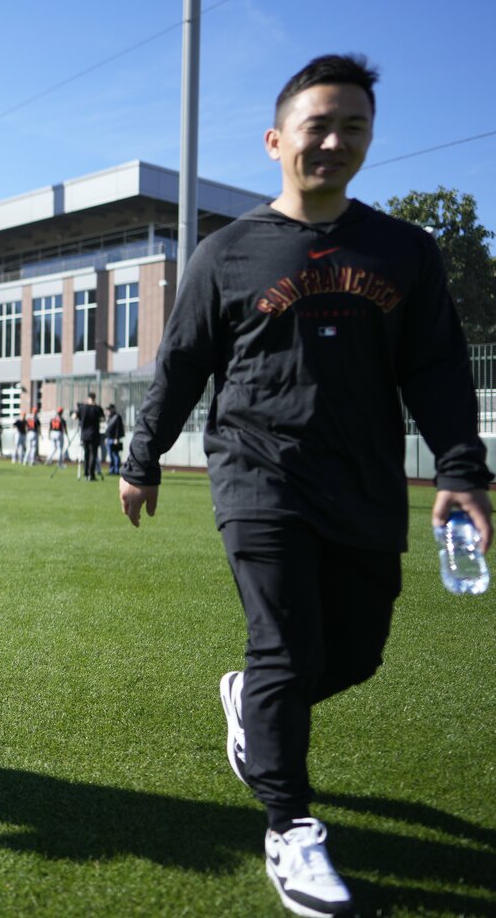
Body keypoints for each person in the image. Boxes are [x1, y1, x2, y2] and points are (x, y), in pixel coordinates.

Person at [118, 55, 491, 918]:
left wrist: (462, 470)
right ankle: (290, 828)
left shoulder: (404, 252)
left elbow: (436, 371)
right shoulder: (227, 253)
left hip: (363, 480)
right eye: (317, 125)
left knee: (354, 654)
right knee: (285, 646)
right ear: (277, 138)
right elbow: (179, 366)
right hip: (258, 474)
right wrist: (142, 460)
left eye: (352, 127)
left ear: (368, 139)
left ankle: (251, 700)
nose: (334, 141)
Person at [75, 392, 105, 481]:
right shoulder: (98, 408)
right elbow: (102, 419)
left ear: (88, 398)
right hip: (94, 434)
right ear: (94, 398)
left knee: (86, 454)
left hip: (84, 434)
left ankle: (86, 473)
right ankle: (91, 475)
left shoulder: (82, 407)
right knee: (93, 454)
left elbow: (74, 416)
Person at [103, 403, 125, 476]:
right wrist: (106, 437)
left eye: (109, 409)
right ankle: (111, 470)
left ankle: (116, 470)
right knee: (111, 455)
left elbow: (118, 429)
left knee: (115, 454)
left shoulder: (117, 417)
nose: (108, 411)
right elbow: (108, 429)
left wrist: (116, 438)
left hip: (114, 439)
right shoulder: (110, 417)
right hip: (109, 438)